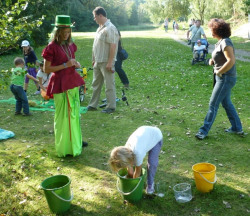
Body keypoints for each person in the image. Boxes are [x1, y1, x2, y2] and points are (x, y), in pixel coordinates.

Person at [42, 15, 87, 157]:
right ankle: (66, 148)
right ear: (57, 31)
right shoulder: (51, 47)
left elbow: (70, 59)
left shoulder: (70, 45)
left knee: (74, 114)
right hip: (60, 85)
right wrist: (64, 65)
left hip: (72, 82)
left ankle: (76, 141)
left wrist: (75, 63)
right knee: (63, 116)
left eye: (69, 32)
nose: (67, 35)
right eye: (64, 32)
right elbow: (46, 69)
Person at [195, 18, 244, 140]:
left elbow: (231, 60)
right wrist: (213, 61)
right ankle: (237, 128)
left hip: (225, 77)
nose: (210, 30)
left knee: (213, 104)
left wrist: (219, 71)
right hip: (223, 77)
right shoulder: (221, 42)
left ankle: (203, 131)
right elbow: (221, 57)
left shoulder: (226, 42)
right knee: (226, 103)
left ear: (217, 30)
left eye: (211, 28)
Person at [109, 126, 163, 195]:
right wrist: (130, 174)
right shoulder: (124, 150)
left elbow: (137, 172)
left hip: (156, 136)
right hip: (145, 135)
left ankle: (150, 184)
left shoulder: (138, 153)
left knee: (152, 163)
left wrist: (133, 185)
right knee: (132, 166)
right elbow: (129, 166)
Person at [87, 6, 119, 114]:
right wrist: (93, 59)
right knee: (96, 84)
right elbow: (95, 45)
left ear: (101, 15)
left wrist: (110, 62)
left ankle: (111, 107)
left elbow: (113, 46)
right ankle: (93, 105)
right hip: (98, 61)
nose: (94, 19)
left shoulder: (110, 28)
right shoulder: (99, 28)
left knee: (109, 84)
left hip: (106, 61)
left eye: (95, 17)